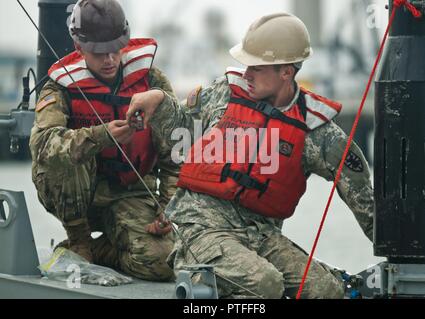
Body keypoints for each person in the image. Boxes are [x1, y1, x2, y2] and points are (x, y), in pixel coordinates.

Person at [127, 13, 374, 297]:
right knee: (265, 284)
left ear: (286, 72)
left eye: (256, 68)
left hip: (261, 235)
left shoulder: (318, 133)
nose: (246, 74)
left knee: (325, 290)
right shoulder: (224, 93)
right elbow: (182, 125)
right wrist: (158, 99)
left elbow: (364, 202)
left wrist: (407, 257)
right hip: (202, 228)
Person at [30, 0, 178, 282]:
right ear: (79, 48)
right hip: (78, 197)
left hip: (131, 193)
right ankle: (79, 242)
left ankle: (96, 252)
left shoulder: (151, 82)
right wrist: (101, 136)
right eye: (99, 52)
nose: (109, 59)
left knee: (162, 264)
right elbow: (43, 146)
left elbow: (177, 151)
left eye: (115, 49)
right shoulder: (59, 87)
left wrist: (168, 207)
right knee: (65, 153)